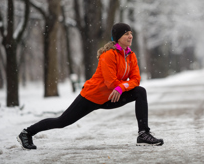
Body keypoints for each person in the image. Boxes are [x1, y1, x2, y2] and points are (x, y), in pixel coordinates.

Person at [17, 22, 164, 150]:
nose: (130, 36)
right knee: (62, 121)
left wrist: (121, 87)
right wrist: (121, 86)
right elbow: (110, 82)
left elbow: (136, 79)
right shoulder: (109, 55)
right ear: (118, 37)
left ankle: (143, 134)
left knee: (140, 91)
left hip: (112, 96)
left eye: (131, 33)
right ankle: (26, 133)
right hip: (92, 96)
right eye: (126, 34)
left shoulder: (130, 55)